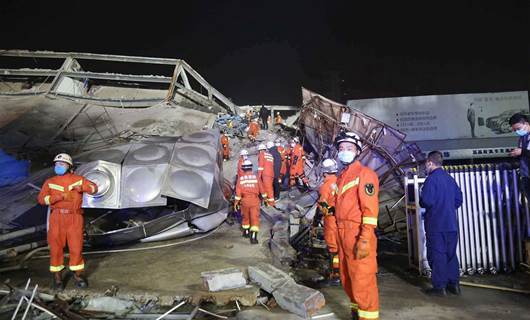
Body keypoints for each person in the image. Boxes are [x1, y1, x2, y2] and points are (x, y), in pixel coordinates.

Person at [334, 132, 379, 320]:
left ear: (358, 151)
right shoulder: (342, 176)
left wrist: (365, 239)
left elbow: (370, 212)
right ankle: (356, 313)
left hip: (357, 233)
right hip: (342, 232)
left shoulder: (365, 174)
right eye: (341, 148)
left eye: (349, 148)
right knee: (347, 278)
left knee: (362, 280)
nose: (344, 152)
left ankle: (368, 317)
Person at [37, 153, 98, 290]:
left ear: (69, 166)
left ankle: (77, 275)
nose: (58, 167)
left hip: (74, 218)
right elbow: (41, 199)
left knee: (76, 247)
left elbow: (94, 188)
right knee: (56, 248)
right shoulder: (50, 182)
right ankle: (58, 278)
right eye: (56, 164)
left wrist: (83, 188)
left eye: (62, 164)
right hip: (56, 218)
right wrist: (57, 197)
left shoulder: (78, 179)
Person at [420, 151, 463, 297]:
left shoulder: (431, 180)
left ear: (430, 162)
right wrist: (447, 207)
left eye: (426, 164)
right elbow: (458, 200)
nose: (425, 166)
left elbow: (426, 201)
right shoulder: (450, 179)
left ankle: (440, 287)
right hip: (451, 224)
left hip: (436, 225)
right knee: (451, 255)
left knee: (437, 255)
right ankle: (454, 285)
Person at [318, 158, 340, 284]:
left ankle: (335, 275)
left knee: (333, 247)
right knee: (341, 245)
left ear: (324, 172)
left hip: (331, 220)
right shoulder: (339, 181)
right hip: (342, 219)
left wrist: (328, 212)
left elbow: (323, 205)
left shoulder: (325, 186)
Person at [234, 159, 263, 244]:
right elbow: (262, 189)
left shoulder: (241, 179)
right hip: (255, 200)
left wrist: (236, 202)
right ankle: (253, 237)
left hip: (245, 201)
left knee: (245, 217)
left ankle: (246, 232)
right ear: (251, 168)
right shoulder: (256, 177)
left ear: (243, 168)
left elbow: (238, 192)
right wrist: (265, 198)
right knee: (254, 218)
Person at [509, 113, 530, 200]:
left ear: (526, 124)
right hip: (526, 175)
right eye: (515, 130)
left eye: (518, 128)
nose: (517, 131)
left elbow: (525, 152)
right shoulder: (522, 138)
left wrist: (522, 152)